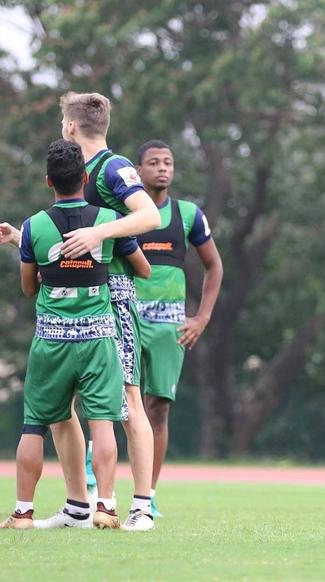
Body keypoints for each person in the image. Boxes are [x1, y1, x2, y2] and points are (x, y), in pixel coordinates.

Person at [0, 140, 148, 530]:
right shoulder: (106, 221)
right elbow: (142, 268)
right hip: (99, 339)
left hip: (52, 341)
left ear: (48, 181)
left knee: (35, 425)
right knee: (103, 423)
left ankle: (23, 512)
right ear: (85, 177)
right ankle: (106, 506)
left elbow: (29, 287)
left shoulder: (34, 226)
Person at [49, 91, 161, 531]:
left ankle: (143, 506)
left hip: (113, 292)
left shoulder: (114, 167)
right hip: (78, 295)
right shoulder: (78, 172)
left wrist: (100, 234)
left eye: (63, 121)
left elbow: (148, 214)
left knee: (129, 400)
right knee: (68, 400)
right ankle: (79, 505)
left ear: (71, 127)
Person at [134, 140, 223, 517]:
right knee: (112, 404)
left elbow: (214, 266)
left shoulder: (188, 214)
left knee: (158, 410)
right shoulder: (125, 214)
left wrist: (201, 317)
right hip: (128, 320)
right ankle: (96, 487)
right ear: (138, 172)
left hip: (170, 327)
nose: (162, 168)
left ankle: (147, 496)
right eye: (153, 162)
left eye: (167, 162)